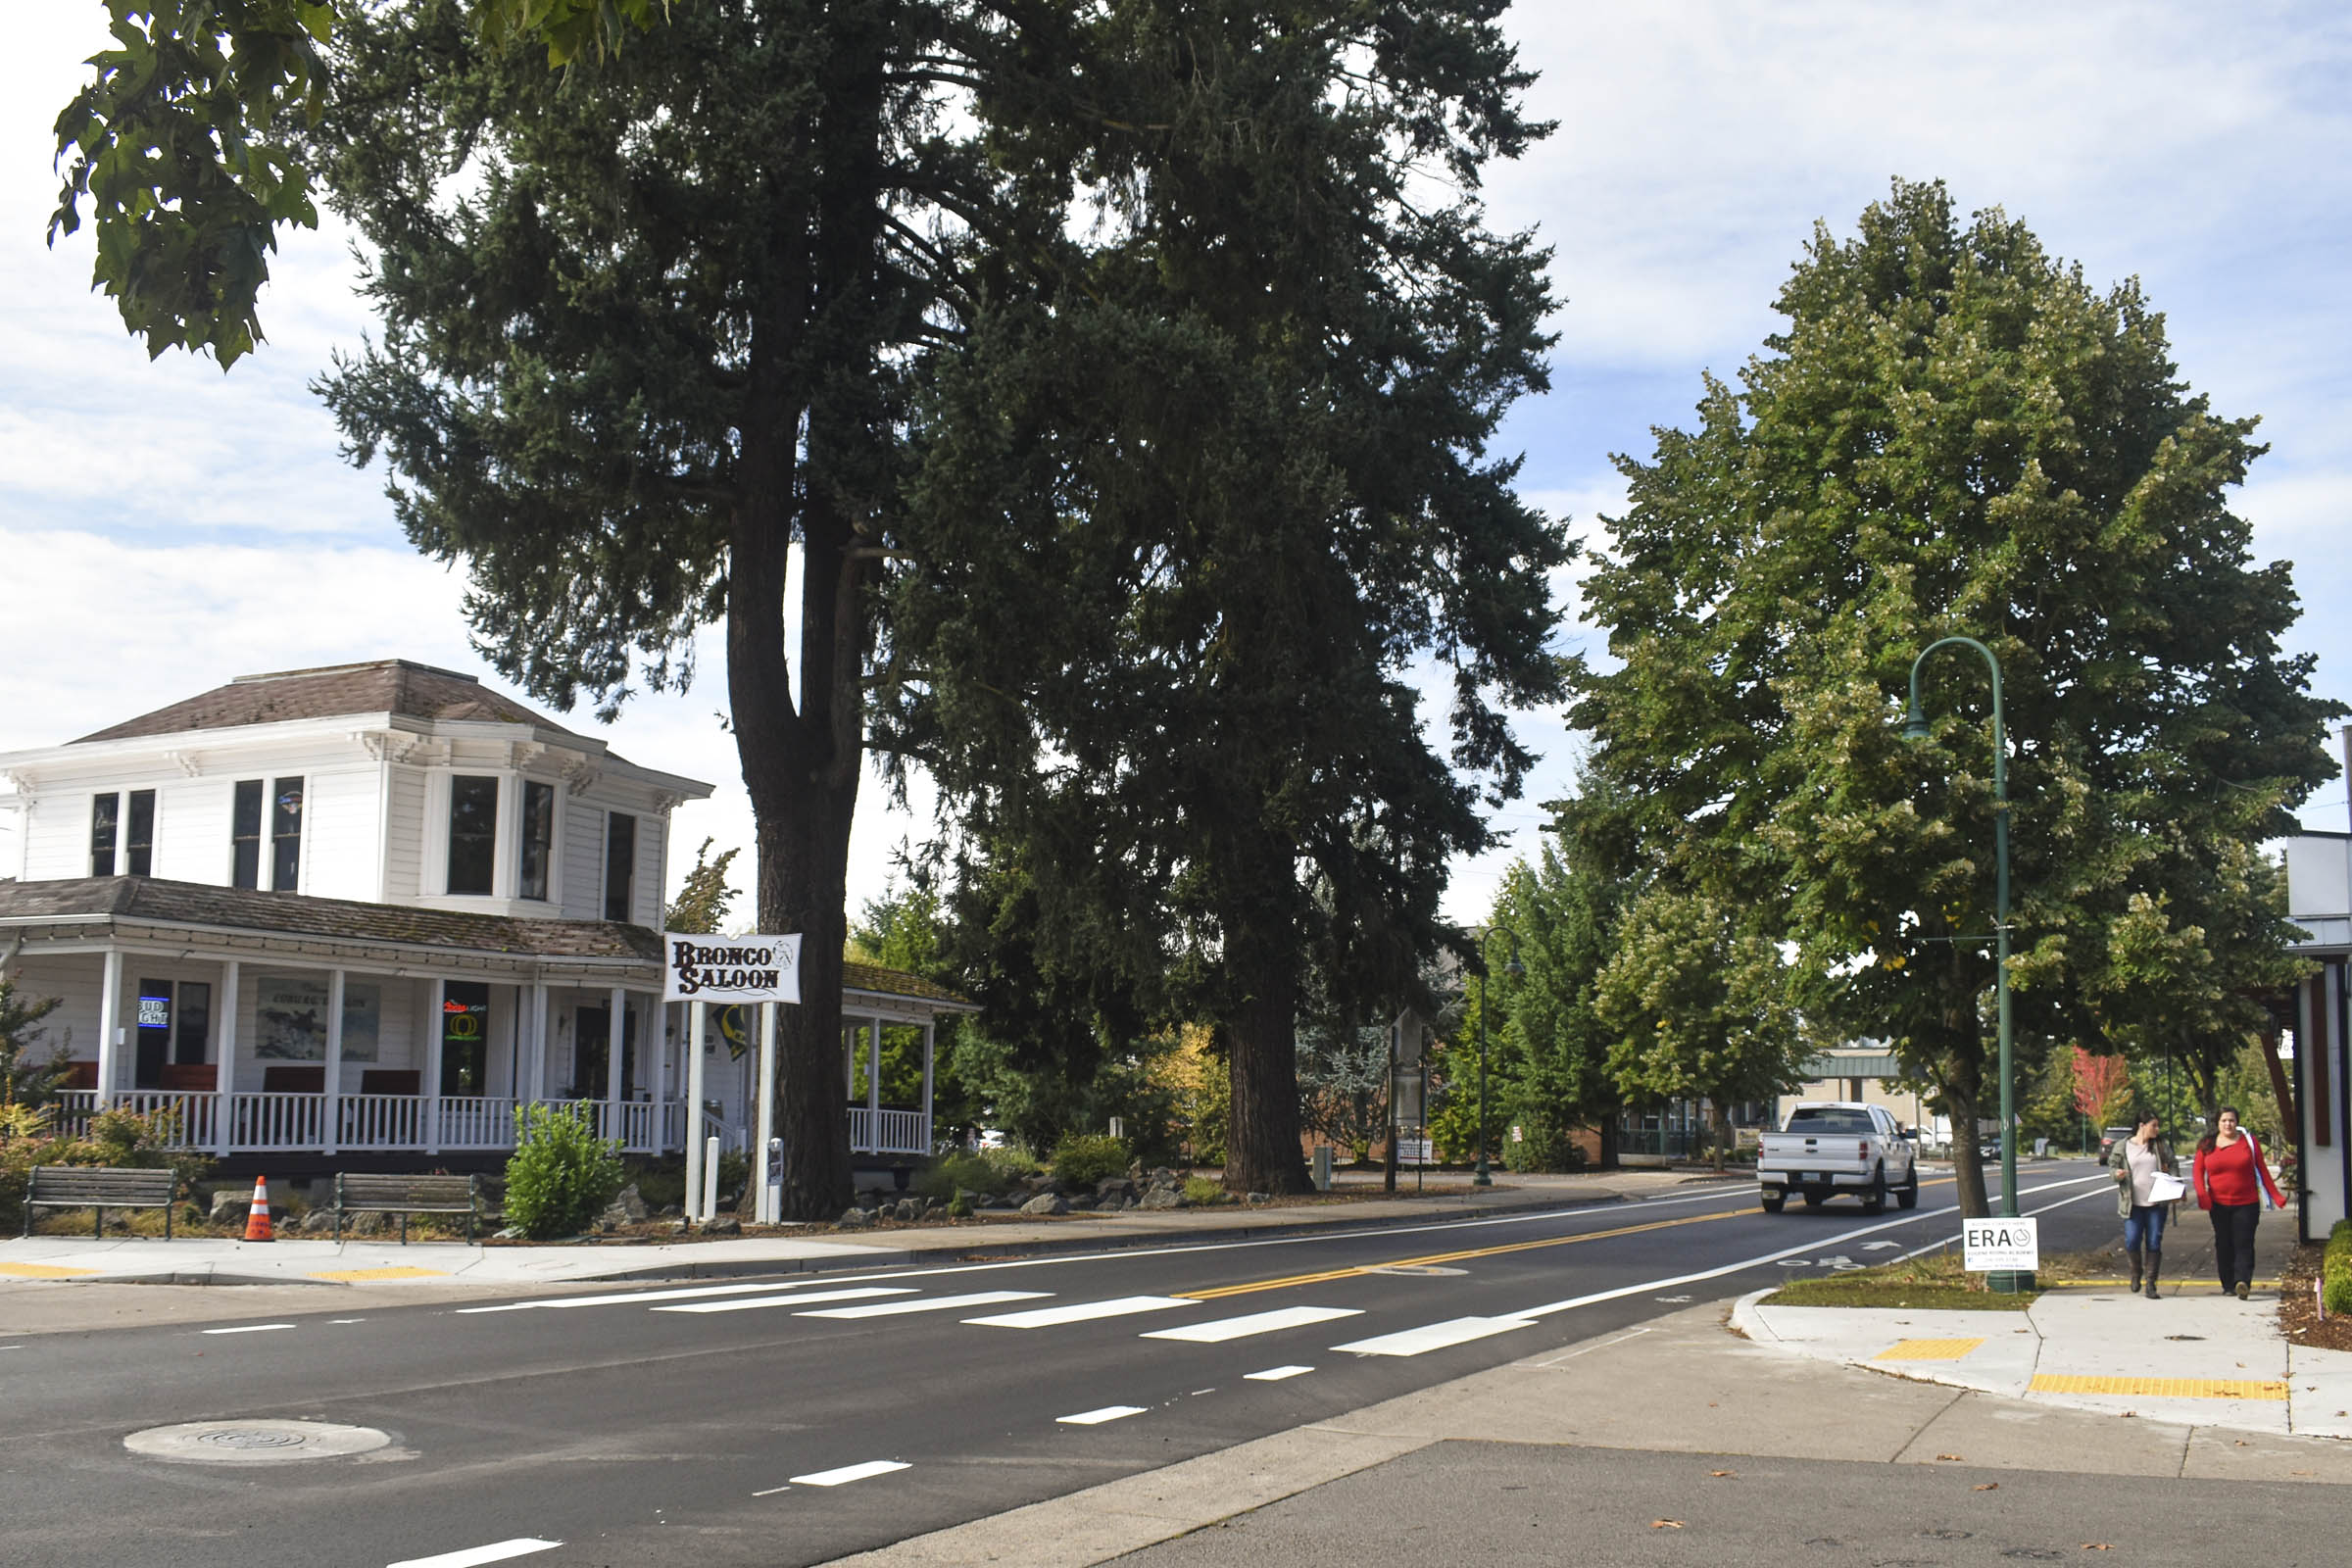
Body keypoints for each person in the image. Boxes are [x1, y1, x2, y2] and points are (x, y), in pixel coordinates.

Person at [2192, 1105, 2286, 1299]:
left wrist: (2276, 1196)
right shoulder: (2207, 1144)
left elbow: (2262, 1170)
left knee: (2244, 1242)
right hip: (2218, 1204)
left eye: (2232, 1120)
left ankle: (2242, 1281)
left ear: (2237, 1122)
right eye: (2224, 1120)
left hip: (2247, 1203)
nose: (2228, 1124)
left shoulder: (2249, 1143)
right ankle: (2228, 1284)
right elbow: (2197, 1172)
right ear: (2218, 1123)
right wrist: (2202, 1195)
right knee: (2224, 1243)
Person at [2110, 1109, 2178, 1298]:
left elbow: (2173, 1164)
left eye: (2158, 1125)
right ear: (2142, 1126)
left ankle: (2151, 1284)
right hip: (2132, 1203)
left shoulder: (2160, 1146)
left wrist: (2172, 1181)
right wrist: (2117, 1174)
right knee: (2132, 1240)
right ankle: (2136, 1271)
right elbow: (2112, 1167)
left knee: (2154, 1241)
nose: (2157, 1129)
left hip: (2156, 1203)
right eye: (2153, 1125)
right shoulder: (2123, 1146)